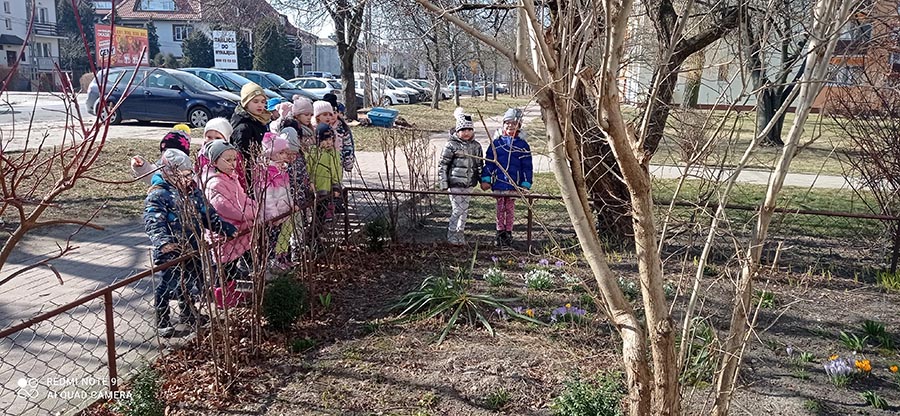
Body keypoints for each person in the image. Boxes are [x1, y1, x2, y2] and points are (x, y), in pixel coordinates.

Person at [144, 149, 237, 336]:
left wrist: (225, 228)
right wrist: (163, 242)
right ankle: (162, 319)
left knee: (189, 282)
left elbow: (207, 215)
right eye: (183, 175)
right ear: (167, 174)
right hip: (172, 249)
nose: (188, 179)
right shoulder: (159, 195)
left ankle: (188, 312)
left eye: (189, 174)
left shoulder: (193, 192)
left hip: (193, 245)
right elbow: (154, 221)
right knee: (168, 283)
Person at [199, 140, 257, 308]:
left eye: (234, 159)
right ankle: (221, 297)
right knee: (223, 268)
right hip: (223, 233)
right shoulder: (215, 183)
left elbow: (242, 197)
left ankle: (231, 292)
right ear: (215, 161)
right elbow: (225, 207)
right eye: (228, 160)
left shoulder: (231, 178)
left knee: (231, 265)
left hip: (236, 230)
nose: (233, 163)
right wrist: (251, 213)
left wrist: (255, 206)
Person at [480, 108, 533, 247]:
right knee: (500, 208)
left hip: (513, 183)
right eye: (507, 123)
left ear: (519, 126)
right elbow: (489, 163)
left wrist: (525, 183)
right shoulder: (497, 143)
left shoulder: (522, 145)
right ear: (503, 125)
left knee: (509, 209)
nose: (510, 126)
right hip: (499, 182)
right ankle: (499, 232)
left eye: (514, 124)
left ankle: (508, 232)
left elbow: (527, 166)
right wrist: (486, 179)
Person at [438, 108, 483, 246]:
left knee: (464, 210)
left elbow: (479, 164)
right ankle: (451, 233)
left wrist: (482, 180)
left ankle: (460, 232)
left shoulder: (476, 146)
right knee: (457, 209)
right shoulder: (451, 145)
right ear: (457, 131)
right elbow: (443, 164)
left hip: (469, 183)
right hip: (455, 183)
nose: (466, 133)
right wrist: (443, 183)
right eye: (463, 130)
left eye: (469, 130)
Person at [255, 132, 294, 267]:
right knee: (271, 241)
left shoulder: (282, 169)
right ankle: (271, 264)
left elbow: (287, 189)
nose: (284, 156)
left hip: (283, 212)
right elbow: (266, 196)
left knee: (282, 238)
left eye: (285, 152)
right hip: (273, 216)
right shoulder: (265, 171)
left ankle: (281, 259)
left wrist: (290, 204)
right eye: (281, 153)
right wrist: (273, 215)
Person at [306, 122, 342, 225]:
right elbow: (308, 168)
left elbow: (337, 171)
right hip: (316, 189)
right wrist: (310, 182)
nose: (328, 143)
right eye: (325, 140)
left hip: (329, 190)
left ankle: (319, 231)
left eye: (330, 139)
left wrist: (336, 187)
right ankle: (313, 232)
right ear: (319, 140)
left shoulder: (335, 154)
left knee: (325, 215)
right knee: (316, 214)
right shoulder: (313, 152)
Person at [230, 82, 270, 164]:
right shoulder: (243, 127)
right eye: (255, 101)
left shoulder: (261, 120)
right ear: (246, 103)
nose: (260, 105)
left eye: (263, 102)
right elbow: (243, 158)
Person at [323, 93, 356, 175]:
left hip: (338, 163)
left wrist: (348, 163)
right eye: (328, 114)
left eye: (334, 113)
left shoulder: (343, 128)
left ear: (338, 113)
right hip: (322, 163)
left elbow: (348, 147)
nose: (332, 116)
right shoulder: (319, 128)